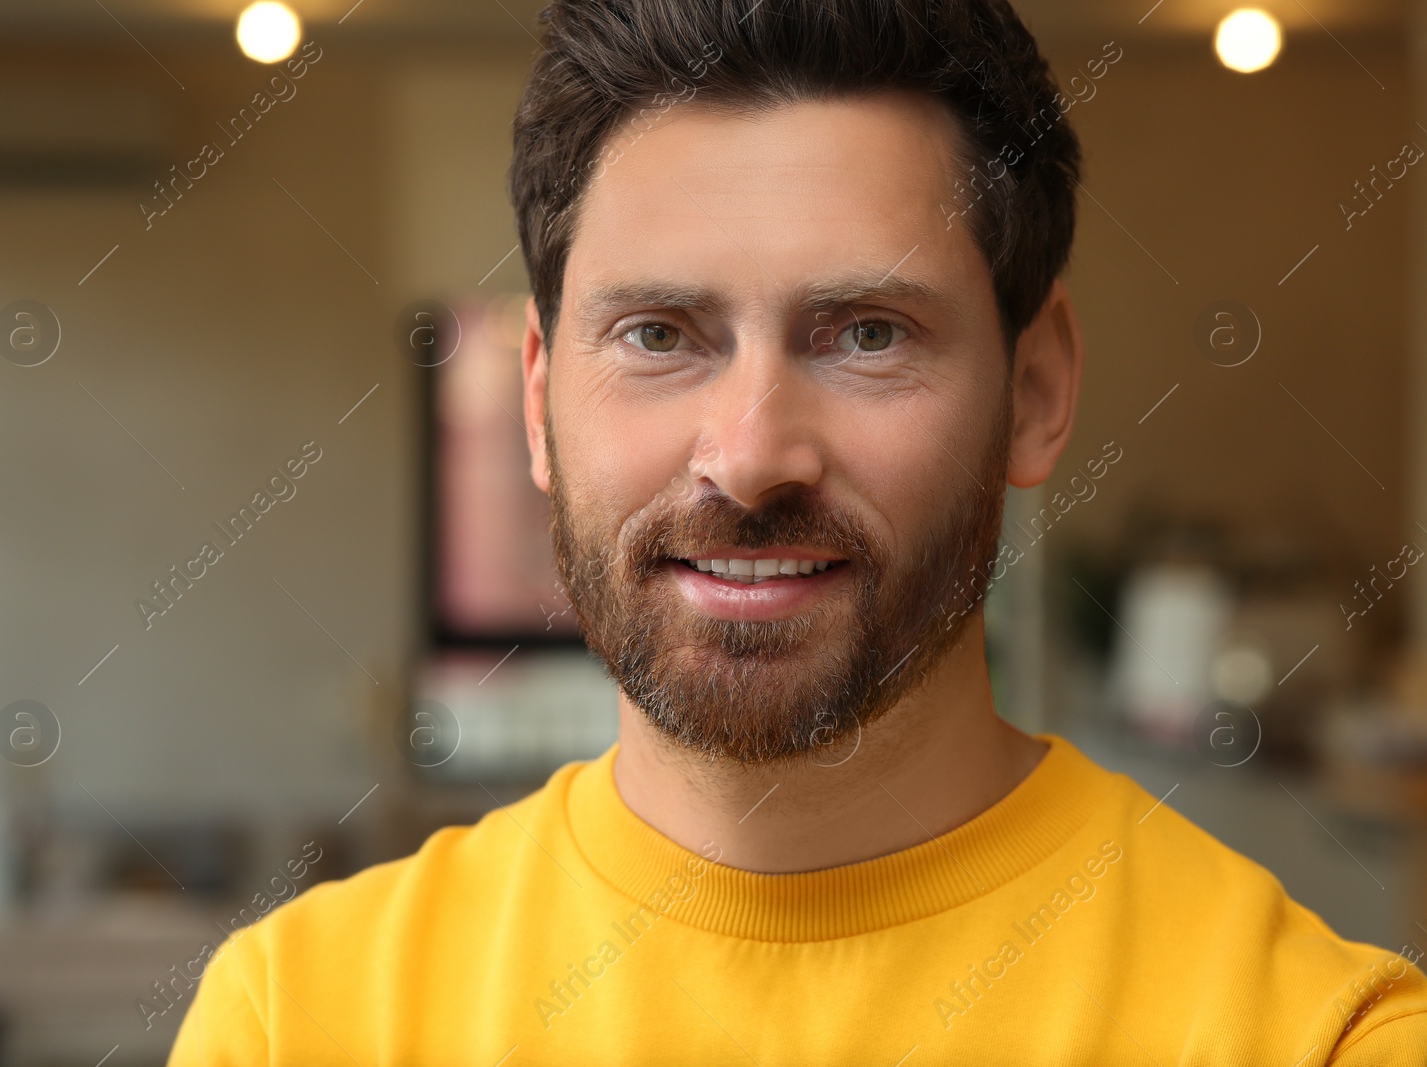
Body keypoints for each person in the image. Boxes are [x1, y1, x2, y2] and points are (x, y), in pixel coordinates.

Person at [169, 0, 1427, 1061]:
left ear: (1036, 393)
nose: (752, 452)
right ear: (539, 403)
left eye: (867, 332)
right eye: (659, 334)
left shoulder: (1314, 1035)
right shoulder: (297, 1021)